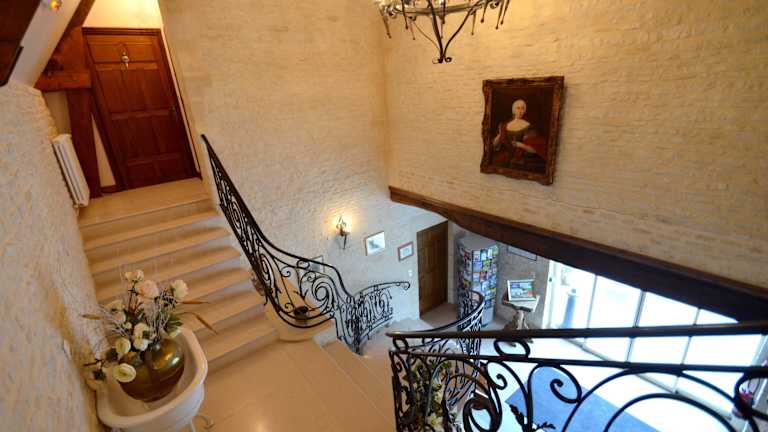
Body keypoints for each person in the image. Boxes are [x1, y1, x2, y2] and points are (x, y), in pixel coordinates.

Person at [491, 99, 547, 169]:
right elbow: (494, 145)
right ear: (514, 110)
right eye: (518, 108)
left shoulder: (528, 126)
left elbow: (534, 150)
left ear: (525, 111)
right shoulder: (504, 125)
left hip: (520, 160)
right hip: (504, 158)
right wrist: (500, 135)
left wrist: (520, 145)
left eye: (522, 108)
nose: (520, 111)